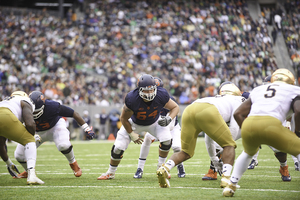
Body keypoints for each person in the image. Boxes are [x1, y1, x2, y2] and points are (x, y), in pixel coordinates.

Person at [223, 68, 300, 197]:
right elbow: (298, 111)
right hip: (271, 124)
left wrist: (247, 130)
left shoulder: (258, 89)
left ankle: (231, 185)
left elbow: (238, 113)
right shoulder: (294, 90)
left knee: (247, 153)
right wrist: (297, 132)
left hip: (249, 124)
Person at [157, 82, 246, 188]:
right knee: (229, 145)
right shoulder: (239, 100)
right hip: (208, 111)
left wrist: (214, 159)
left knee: (186, 152)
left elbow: (208, 137)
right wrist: (226, 146)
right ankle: (226, 179)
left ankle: (165, 168)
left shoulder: (216, 98)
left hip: (190, 109)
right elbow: (234, 129)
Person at [97, 74, 179, 180]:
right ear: (139, 89)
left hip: (154, 122)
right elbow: (123, 119)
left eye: (151, 90)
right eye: (146, 90)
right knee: (118, 148)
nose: (149, 93)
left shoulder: (161, 94)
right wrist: (131, 133)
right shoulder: (132, 98)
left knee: (167, 139)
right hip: (134, 123)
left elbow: (175, 107)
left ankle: (161, 169)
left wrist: (169, 118)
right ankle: (110, 172)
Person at [14, 91, 95, 179]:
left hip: (55, 127)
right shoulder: (22, 108)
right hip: (36, 132)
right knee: (19, 155)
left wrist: (87, 129)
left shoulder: (52, 106)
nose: (35, 114)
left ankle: (73, 163)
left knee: (63, 145)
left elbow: (73, 113)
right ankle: (28, 171)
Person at [133, 77, 185, 179]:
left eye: (152, 90)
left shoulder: (167, 99)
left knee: (176, 147)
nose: (150, 93)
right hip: (158, 126)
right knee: (146, 139)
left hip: (172, 126)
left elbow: (174, 117)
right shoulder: (145, 100)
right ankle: (140, 168)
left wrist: (166, 123)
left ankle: (179, 166)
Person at [247, 75, 296, 181]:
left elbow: (291, 109)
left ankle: (284, 167)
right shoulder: (259, 92)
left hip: (276, 124)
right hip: (260, 123)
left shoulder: (284, 94)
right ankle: (233, 178)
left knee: (281, 149)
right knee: (248, 150)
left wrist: (288, 124)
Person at [0, 91, 44, 185]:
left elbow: (1, 145)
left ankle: (13, 165)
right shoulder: (26, 100)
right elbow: (30, 123)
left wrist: (9, 163)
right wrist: (32, 136)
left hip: (4, 114)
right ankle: (31, 175)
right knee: (29, 140)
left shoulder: (6, 101)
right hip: (6, 115)